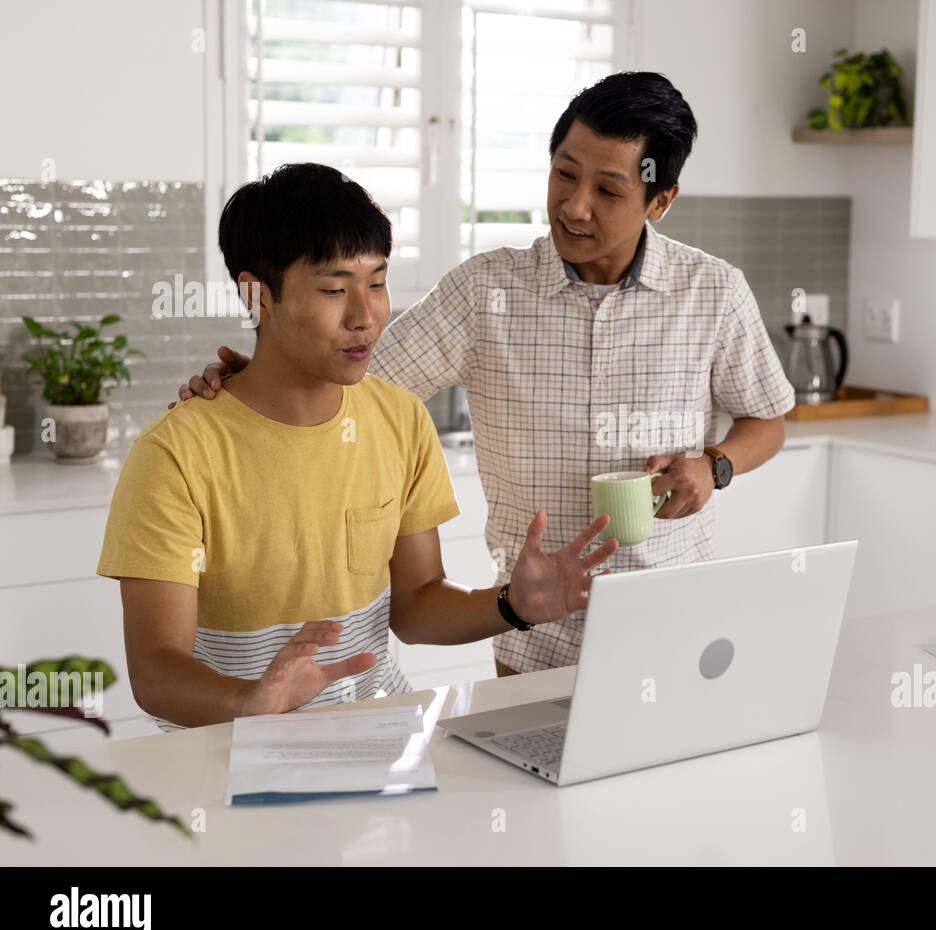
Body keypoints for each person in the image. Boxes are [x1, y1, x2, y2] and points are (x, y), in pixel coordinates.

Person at [177, 72, 795, 678]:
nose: (574, 206)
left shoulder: (712, 292)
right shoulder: (485, 291)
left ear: (660, 200)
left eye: (607, 191)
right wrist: (252, 377)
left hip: (673, 621)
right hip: (534, 637)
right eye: (564, 173)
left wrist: (715, 466)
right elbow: (356, 374)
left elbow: (767, 419)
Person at [101, 163, 615, 730]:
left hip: (381, 733)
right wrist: (250, 703)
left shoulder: (398, 419)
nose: (365, 316)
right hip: (227, 749)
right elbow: (155, 670)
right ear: (257, 294)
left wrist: (511, 606)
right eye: (333, 289)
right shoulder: (176, 455)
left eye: (376, 282)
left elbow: (416, 606)